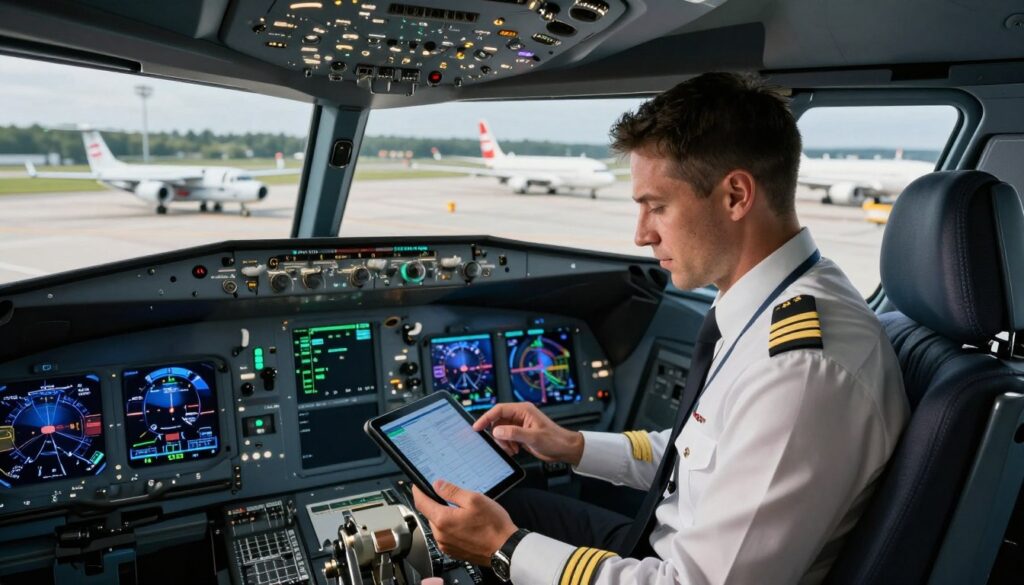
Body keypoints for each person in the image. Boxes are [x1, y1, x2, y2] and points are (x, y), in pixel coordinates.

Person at [411, 72, 910, 585]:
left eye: (657, 206)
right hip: (658, 546)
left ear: (736, 195)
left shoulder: (800, 371)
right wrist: (573, 446)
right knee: (517, 500)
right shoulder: (766, 308)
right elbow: (699, 455)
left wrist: (504, 548)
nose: (641, 234)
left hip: (671, 570)